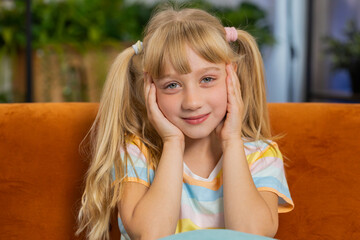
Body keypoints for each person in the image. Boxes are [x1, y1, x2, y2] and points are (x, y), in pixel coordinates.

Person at [76, 5, 294, 240]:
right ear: (150, 89)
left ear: (233, 77)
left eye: (207, 79)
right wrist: (172, 143)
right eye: (172, 85)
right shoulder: (136, 154)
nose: (192, 102)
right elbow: (151, 235)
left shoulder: (261, 155)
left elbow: (252, 235)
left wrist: (231, 141)